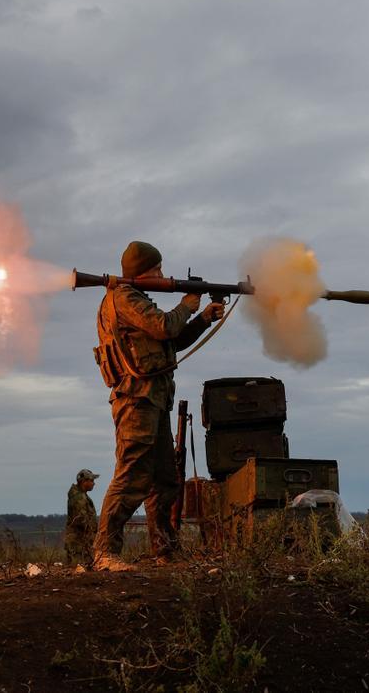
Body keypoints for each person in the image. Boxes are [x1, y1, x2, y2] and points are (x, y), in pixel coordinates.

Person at [91, 241, 224, 572]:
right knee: (132, 473)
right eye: (159, 269)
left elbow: (171, 340)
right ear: (147, 270)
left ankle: (164, 551)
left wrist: (204, 316)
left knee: (165, 479)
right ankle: (105, 552)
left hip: (152, 398)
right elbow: (164, 326)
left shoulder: (133, 299)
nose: (164, 275)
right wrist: (189, 304)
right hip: (136, 399)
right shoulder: (124, 297)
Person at [64, 469, 99, 566]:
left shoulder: (81, 495)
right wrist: (95, 533)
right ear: (84, 482)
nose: (93, 483)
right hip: (78, 543)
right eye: (91, 481)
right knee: (78, 570)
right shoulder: (78, 498)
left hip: (81, 543)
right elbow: (81, 520)